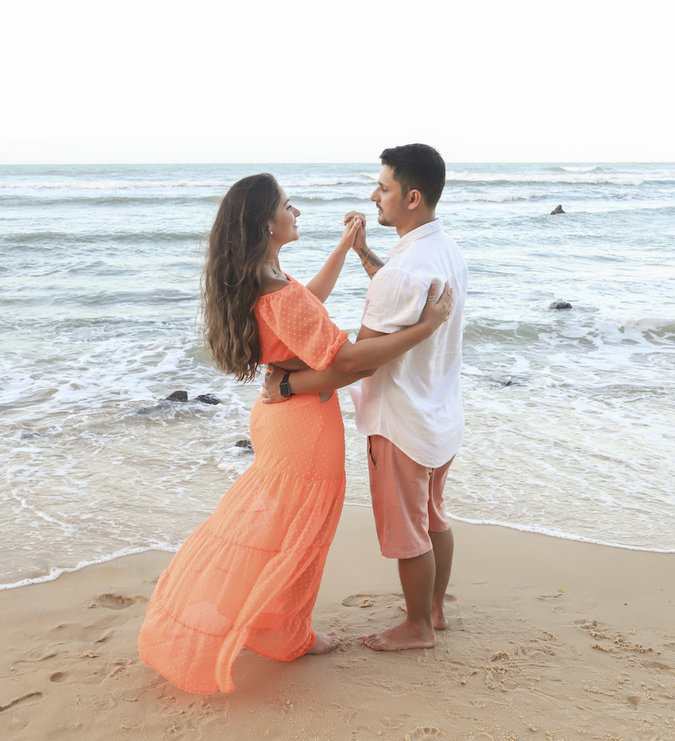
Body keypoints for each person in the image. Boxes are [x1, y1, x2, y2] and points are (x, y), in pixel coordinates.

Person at [137, 173, 453, 694]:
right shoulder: (278, 291)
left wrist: (345, 248)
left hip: (280, 421)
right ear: (267, 222)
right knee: (303, 534)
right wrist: (427, 327)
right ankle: (290, 635)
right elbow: (349, 361)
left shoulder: (262, 276)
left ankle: (276, 625)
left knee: (277, 528)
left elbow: (307, 302)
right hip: (304, 427)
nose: (296, 212)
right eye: (288, 205)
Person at [263, 143, 467, 651]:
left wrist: (288, 385)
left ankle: (417, 629)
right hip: (440, 411)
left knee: (408, 532)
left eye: (383, 187)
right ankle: (434, 611)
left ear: (412, 197)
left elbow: (357, 361)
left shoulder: (401, 273)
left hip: (400, 420)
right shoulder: (443, 249)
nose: (374, 196)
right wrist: (360, 252)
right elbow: (401, 295)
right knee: (434, 516)